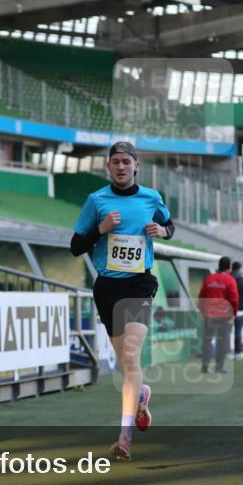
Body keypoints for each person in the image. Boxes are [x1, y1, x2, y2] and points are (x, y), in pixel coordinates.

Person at [70, 141, 174, 460]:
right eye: (115, 162)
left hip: (139, 283)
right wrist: (100, 229)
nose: (120, 166)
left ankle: (124, 438)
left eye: (126, 161)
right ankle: (141, 394)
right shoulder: (96, 201)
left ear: (136, 166)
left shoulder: (151, 198)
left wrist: (163, 231)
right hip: (108, 288)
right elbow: (75, 246)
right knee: (125, 366)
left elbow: (170, 225)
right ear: (108, 167)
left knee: (130, 357)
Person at [198, 256, 239, 374]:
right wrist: (234, 314)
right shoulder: (230, 280)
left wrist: (202, 310)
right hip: (224, 316)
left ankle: (205, 366)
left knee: (207, 340)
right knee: (222, 341)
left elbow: (202, 296)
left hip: (209, 315)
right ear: (229, 267)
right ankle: (219, 366)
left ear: (218, 265)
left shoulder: (209, 279)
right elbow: (234, 299)